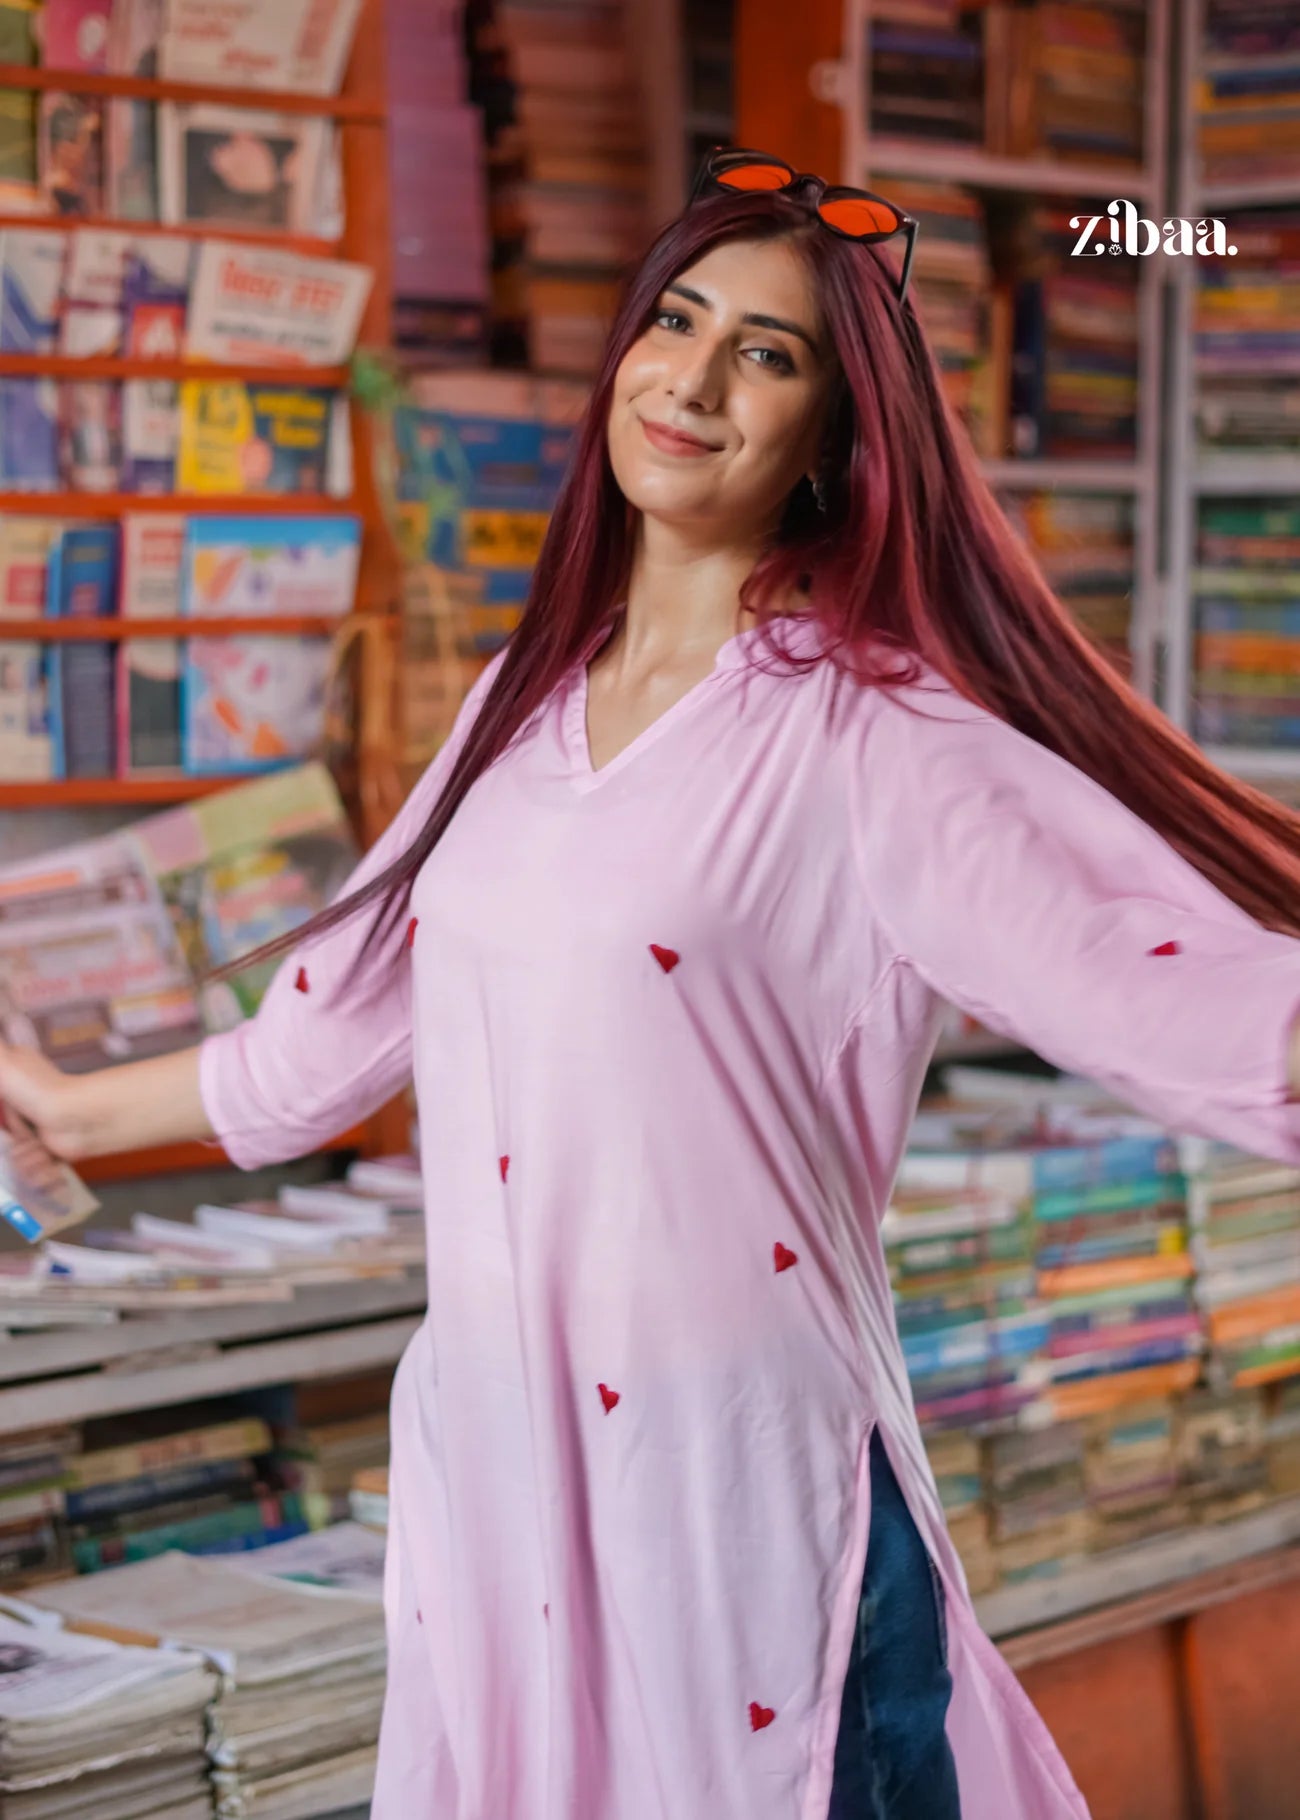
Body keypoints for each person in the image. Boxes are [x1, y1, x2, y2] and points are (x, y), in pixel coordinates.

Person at [3, 147, 1300, 1820]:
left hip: (746, 1521)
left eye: (767, 352)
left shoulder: (875, 737)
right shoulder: (514, 712)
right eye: (674, 320)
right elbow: (302, 1064)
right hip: (509, 1503)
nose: (689, 379)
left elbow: (1213, 1014)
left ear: (835, 433)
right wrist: (56, 1105)